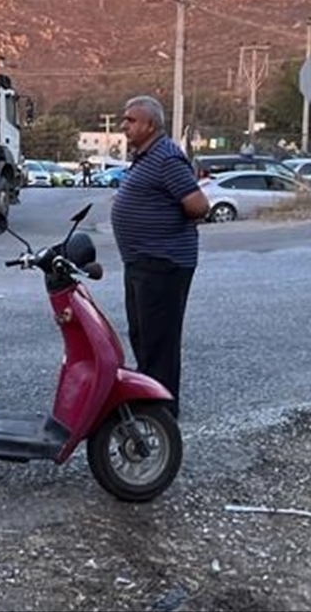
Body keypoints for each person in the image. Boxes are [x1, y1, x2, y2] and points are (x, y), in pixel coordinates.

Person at [109, 96, 210, 419]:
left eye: (131, 120)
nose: (125, 125)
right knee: (143, 334)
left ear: (150, 125)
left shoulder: (166, 157)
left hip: (163, 264)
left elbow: (199, 206)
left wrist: (165, 227)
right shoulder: (146, 156)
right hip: (142, 261)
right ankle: (149, 395)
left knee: (160, 340)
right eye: (124, 120)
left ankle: (162, 410)